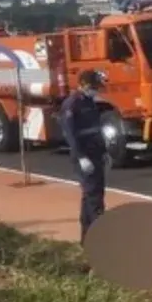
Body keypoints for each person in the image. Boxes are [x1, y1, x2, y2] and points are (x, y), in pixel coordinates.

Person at [59, 69, 109, 245]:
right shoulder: (72, 104)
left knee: (91, 195)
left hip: (95, 154)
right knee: (94, 198)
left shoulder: (90, 102)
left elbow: (96, 129)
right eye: (94, 87)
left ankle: (87, 238)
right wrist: (81, 157)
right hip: (84, 156)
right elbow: (70, 134)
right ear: (84, 85)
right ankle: (100, 239)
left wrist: (104, 151)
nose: (97, 90)